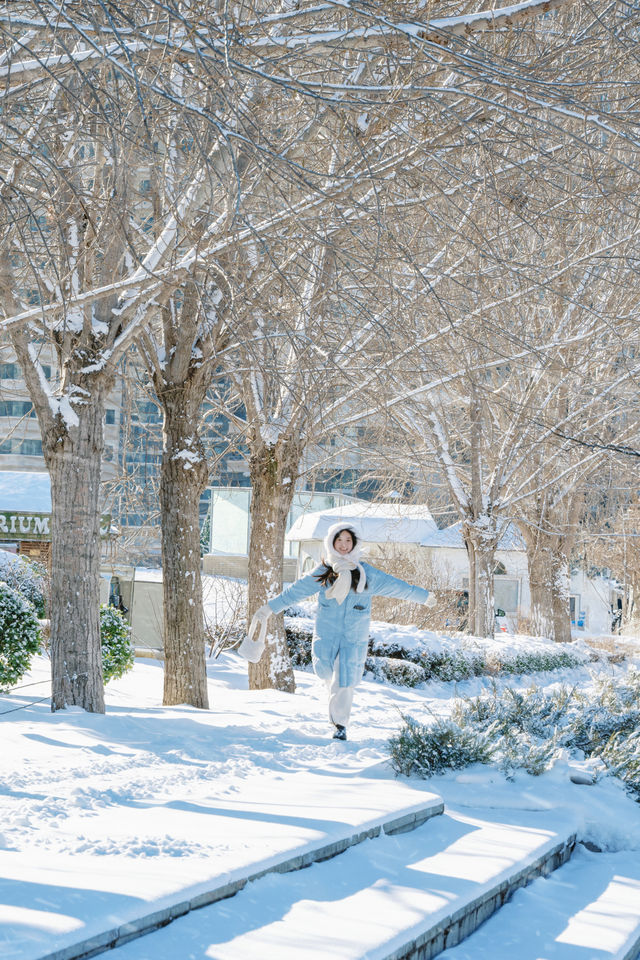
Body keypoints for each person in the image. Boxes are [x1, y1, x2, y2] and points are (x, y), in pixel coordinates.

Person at [248, 521, 436, 741]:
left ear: (354, 543)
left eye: (348, 540)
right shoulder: (324, 573)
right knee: (328, 675)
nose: (344, 545)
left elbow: (398, 587)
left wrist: (423, 597)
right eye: (340, 540)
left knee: (343, 679)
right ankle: (335, 715)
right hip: (327, 637)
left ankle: (340, 725)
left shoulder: (367, 574)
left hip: (352, 639)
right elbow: (295, 592)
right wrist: (269, 608)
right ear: (332, 542)